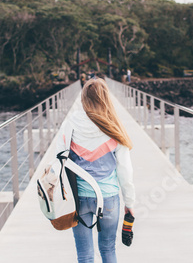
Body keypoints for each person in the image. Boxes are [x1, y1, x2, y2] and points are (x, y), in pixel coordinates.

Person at [57, 78, 135, 263]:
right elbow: (125, 171)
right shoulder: (113, 126)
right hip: (108, 198)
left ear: (84, 98)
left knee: (85, 255)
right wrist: (129, 203)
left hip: (79, 199)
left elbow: (58, 158)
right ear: (106, 98)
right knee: (108, 249)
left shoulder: (71, 123)